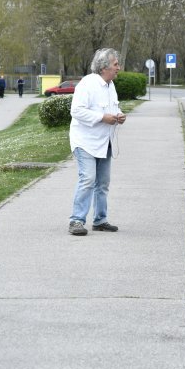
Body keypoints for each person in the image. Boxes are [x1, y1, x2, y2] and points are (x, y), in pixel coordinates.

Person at [67, 48, 126, 236]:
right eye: (115, 64)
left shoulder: (110, 86)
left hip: (104, 142)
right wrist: (102, 117)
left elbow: (112, 108)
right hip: (85, 142)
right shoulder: (87, 84)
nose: (118, 68)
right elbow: (76, 111)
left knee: (103, 183)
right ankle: (76, 220)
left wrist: (119, 115)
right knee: (88, 179)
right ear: (104, 67)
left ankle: (100, 220)